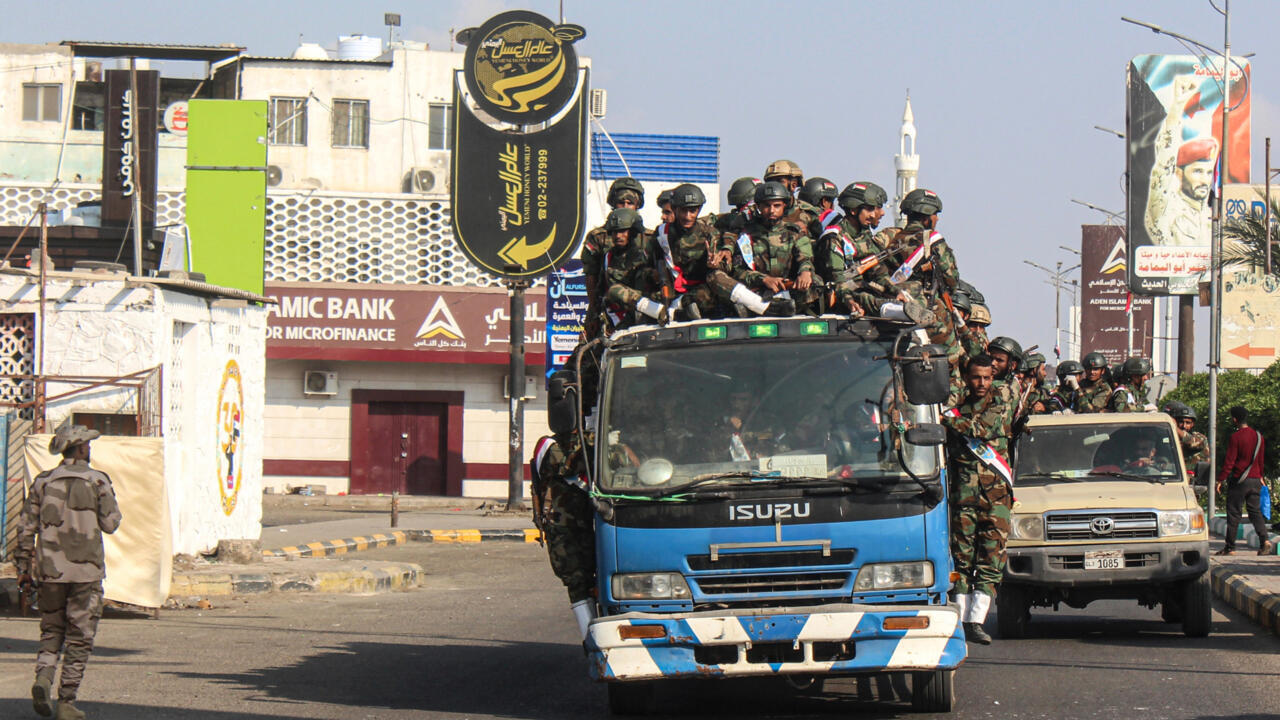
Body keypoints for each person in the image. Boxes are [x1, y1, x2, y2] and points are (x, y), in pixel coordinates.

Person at [15, 424, 122, 720]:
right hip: (85, 574)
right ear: (81, 448)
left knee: (51, 631)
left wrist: (23, 568)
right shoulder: (98, 481)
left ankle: (43, 679)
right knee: (79, 638)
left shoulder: (43, 481)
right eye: (87, 445)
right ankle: (66, 701)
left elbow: (25, 528)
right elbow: (111, 523)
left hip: (49, 572)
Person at [940, 354, 1017, 645]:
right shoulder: (957, 405)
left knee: (990, 557)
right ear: (967, 377)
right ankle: (958, 620)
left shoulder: (1000, 403)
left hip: (996, 497)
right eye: (976, 377)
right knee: (961, 559)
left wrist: (949, 419)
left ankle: (977, 621)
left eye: (987, 377)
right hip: (963, 496)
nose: (982, 383)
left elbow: (980, 430)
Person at [817, 181, 931, 322]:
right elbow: (838, 281)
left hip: (861, 286)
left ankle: (912, 311)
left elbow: (878, 273)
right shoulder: (834, 238)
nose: (877, 213)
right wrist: (850, 302)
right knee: (864, 297)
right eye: (870, 209)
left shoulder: (864, 235)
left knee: (912, 289)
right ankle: (898, 311)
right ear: (854, 210)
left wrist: (896, 291)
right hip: (839, 293)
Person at [531, 428, 598, 639]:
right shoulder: (549, 445)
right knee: (577, 580)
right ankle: (591, 639)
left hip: (593, 519)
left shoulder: (593, 438)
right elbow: (566, 466)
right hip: (563, 525)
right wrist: (596, 445)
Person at [652, 184, 753, 319]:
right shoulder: (661, 233)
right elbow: (656, 263)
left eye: (692, 211)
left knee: (708, 289)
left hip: (705, 290)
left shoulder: (709, 233)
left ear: (699, 210)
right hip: (672, 291)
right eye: (683, 210)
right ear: (675, 209)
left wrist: (715, 264)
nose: (687, 216)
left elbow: (726, 267)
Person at [1145, 75, 1217, 248]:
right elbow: (1163, 167)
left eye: (1208, 173)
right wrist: (1177, 107)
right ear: (1179, 173)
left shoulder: (1213, 218)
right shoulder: (1167, 210)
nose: (1204, 180)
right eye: (1197, 171)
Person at [730, 181, 819, 314]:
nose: (772, 211)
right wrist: (764, 279)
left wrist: (805, 272)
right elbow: (738, 271)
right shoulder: (746, 235)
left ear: (784, 206)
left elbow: (805, 259)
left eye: (777, 206)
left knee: (817, 282)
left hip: (786, 288)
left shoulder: (794, 232)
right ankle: (764, 307)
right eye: (767, 206)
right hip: (756, 290)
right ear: (759, 206)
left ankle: (777, 305)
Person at [581, 178, 646, 338]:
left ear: (637, 205)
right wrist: (595, 310)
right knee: (586, 358)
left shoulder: (648, 237)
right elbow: (591, 277)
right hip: (607, 307)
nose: (625, 207)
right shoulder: (599, 238)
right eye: (621, 202)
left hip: (641, 306)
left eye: (630, 203)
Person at [1216, 406, 1274, 556]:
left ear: (1235, 419)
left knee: (1234, 513)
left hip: (1240, 480)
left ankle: (1230, 547)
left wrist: (1220, 479)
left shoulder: (1235, 437)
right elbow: (1260, 460)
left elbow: (1230, 461)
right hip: (1255, 480)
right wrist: (1260, 477)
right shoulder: (1258, 436)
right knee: (1255, 512)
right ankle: (1265, 541)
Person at [596, 208, 664, 329]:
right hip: (627, 312)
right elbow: (602, 291)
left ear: (633, 232)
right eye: (614, 232)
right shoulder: (609, 257)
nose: (618, 236)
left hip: (655, 301)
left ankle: (661, 312)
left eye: (623, 231)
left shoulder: (648, 250)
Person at [1163, 401, 1209, 476]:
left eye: (1187, 423)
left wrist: (1172, 426)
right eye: (1181, 422)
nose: (1184, 426)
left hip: (1193, 480)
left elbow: (1191, 441)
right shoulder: (1170, 439)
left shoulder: (1200, 438)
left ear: (1193, 424)